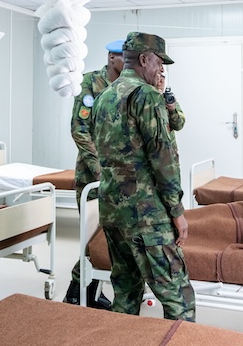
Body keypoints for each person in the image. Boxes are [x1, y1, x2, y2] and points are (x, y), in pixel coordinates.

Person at [91, 31, 195, 322]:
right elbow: (163, 158)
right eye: (159, 62)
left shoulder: (104, 96)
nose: (161, 69)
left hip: (112, 212)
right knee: (178, 296)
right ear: (144, 59)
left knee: (125, 292)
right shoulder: (146, 96)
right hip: (146, 215)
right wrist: (176, 211)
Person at [62, 39, 124, 309]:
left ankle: (91, 292)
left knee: (108, 238)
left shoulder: (126, 86)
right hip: (92, 178)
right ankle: (76, 293)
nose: (129, 63)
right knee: (92, 238)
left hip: (119, 177)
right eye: (124, 58)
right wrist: (100, 171)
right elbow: (79, 130)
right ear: (111, 57)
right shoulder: (90, 83)